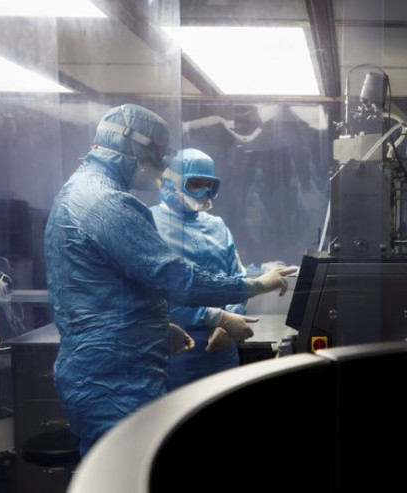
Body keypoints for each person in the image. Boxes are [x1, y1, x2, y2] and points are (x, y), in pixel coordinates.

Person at [44, 104, 293, 457]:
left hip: (118, 367)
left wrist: (157, 326)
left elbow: (114, 291)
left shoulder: (82, 192)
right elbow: (176, 279)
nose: (160, 165)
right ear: (132, 145)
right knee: (126, 467)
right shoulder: (107, 203)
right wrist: (256, 286)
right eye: (157, 155)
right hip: (116, 377)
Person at [150, 148, 257, 388]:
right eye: (195, 184)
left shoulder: (218, 226)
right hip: (174, 354)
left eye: (209, 185)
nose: (204, 191)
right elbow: (151, 296)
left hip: (221, 354)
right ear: (171, 182)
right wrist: (216, 318)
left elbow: (237, 278)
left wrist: (229, 322)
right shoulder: (148, 224)